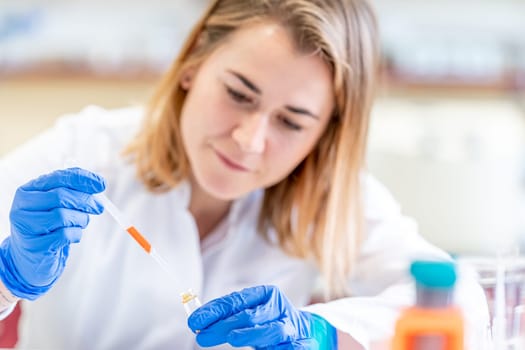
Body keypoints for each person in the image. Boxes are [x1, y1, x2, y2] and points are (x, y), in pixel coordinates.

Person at [0, 0, 488, 349]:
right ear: (193, 66)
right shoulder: (83, 151)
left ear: (325, 132)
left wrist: (323, 334)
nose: (249, 140)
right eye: (238, 93)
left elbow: (462, 304)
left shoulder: (327, 195)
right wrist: (10, 273)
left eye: (292, 122)